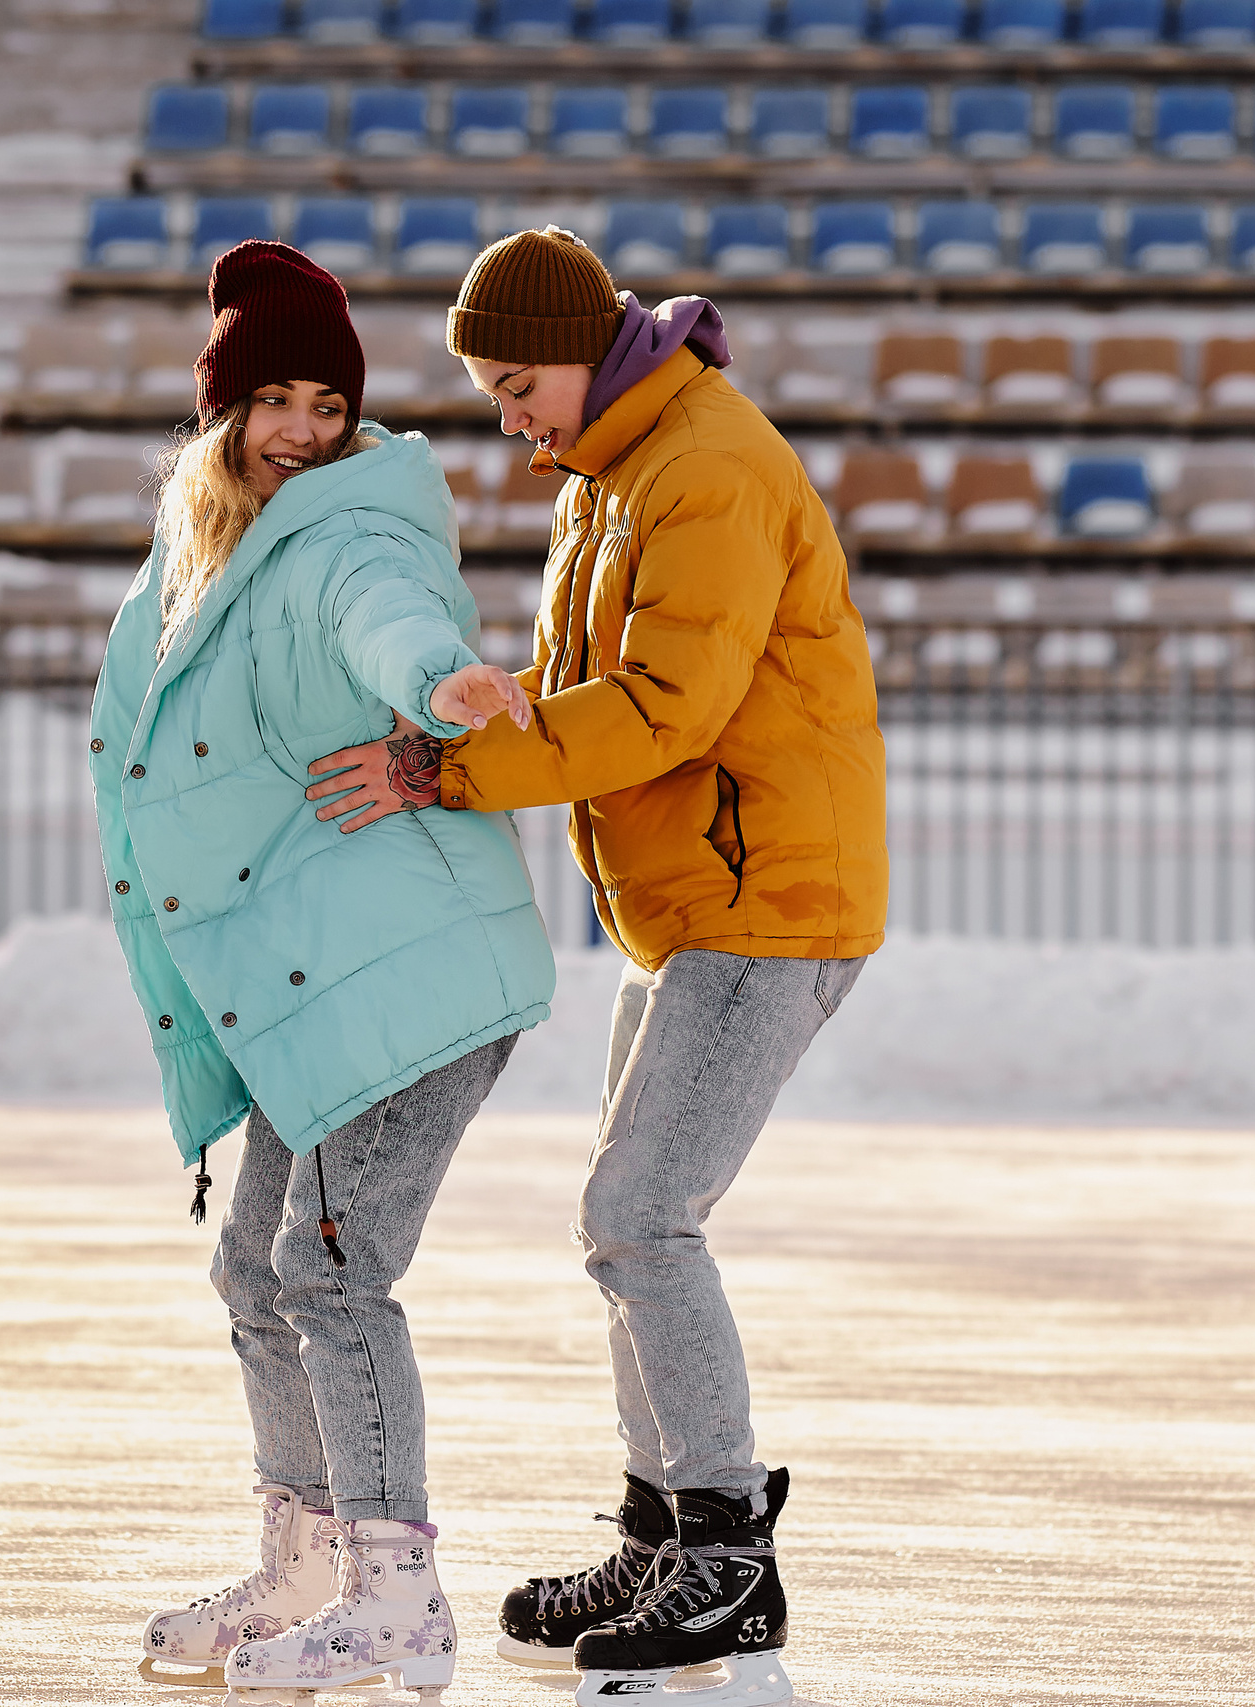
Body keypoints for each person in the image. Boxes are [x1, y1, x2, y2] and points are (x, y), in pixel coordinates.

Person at [304, 226, 889, 1707]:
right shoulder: (617, 474)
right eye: (494, 392)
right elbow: (594, 691)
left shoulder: (705, 467)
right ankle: (660, 1534)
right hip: (701, 900)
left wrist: (458, 770)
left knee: (641, 1214)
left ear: (584, 350)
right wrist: (491, 703)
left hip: (771, 896)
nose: (510, 416)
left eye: (517, 384)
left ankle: (725, 1555)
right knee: (628, 1219)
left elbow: (669, 706)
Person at [91, 240, 554, 1703]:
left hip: (407, 971)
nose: (304, 429)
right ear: (224, 415)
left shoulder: (353, 527)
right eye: (275, 400)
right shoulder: (207, 547)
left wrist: (444, 686)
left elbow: (387, 612)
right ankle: (300, 1568)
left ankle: (397, 1594)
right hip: (316, 973)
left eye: (326, 403)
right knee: (252, 1264)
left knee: (331, 1271)